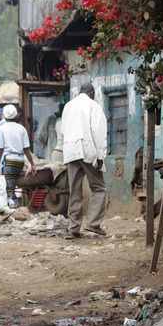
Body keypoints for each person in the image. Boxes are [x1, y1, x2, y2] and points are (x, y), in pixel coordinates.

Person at [59, 82, 108, 238]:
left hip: (70, 151)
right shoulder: (94, 106)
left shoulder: (68, 106)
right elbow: (98, 131)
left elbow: (63, 130)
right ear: (92, 93)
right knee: (99, 187)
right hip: (87, 150)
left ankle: (73, 228)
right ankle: (93, 223)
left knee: (75, 190)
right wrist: (100, 156)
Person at [0, 104, 36, 208]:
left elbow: (0, 150)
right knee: (12, 184)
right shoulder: (22, 129)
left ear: (4, 115)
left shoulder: (1, 129)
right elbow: (26, 149)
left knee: (9, 187)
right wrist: (32, 164)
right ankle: (12, 207)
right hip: (20, 161)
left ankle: (13, 210)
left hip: (8, 161)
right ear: (15, 115)